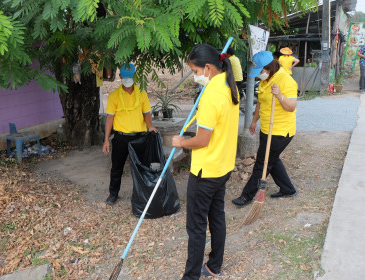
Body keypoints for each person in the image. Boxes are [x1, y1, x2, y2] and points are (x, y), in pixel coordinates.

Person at [172, 44, 240, 280]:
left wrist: (181, 143)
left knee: (196, 226)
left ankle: (191, 276)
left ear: (208, 68)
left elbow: (202, 139)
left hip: (206, 170)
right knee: (216, 216)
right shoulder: (230, 87)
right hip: (223, 166)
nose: (194, 76)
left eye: (195, 71)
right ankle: (214, 265)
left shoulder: (212, 95)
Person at [232, 51, 297, 207]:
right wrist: (254, 121)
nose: (259, 74)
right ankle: (288, 189)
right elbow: (261, 102)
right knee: (272, 159)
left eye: (260, 71)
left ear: (269, 67)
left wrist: (280, 96)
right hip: (267, 128)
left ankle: (246, 196)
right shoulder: (265, 80)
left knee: (262, 163)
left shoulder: (286, 80)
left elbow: (292, 106)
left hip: (281, 131)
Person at [102, 63, 157, 205]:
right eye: (125, 77)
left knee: (141, 167)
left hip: (139, 137)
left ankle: (142, 194)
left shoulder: (142, 93)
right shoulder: (114, 96)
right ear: (120, 77)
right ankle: (113, 194)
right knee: (116, 167)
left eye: (130, 77)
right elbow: (109, 118)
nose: (127, 80)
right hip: (120, 138)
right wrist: (106, 140)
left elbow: (146, 113)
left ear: (134, 76)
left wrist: (150, 126)